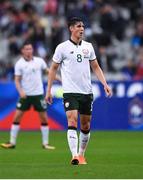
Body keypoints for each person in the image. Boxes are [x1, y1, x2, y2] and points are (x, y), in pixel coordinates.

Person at [45, 17, 112, 165]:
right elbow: (53, 69)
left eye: (82, 26)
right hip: (70, 91)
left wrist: (105, 84)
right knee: (72, 119)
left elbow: (95, 67)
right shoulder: (62, 48)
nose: (82, 29)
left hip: (86, 92)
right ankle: (74, 155)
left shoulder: (88, 46)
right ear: (71, 28)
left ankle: (81, 154)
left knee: (86, 125)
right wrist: (48, 90)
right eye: (78, 26)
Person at [1, 41, 60, 150]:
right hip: (25, 95)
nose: (29, 51)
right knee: (17, 116)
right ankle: (12, 142)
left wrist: (60, 79)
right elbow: (17, 80)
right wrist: (21, 91)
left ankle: (45, 143)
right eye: (26, 49)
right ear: (22, 51)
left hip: (38, 94)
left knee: (44, 118)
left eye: (30, 49)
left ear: (32, 50)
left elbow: (48, 71)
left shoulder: (39, 61)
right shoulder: (19, 64)